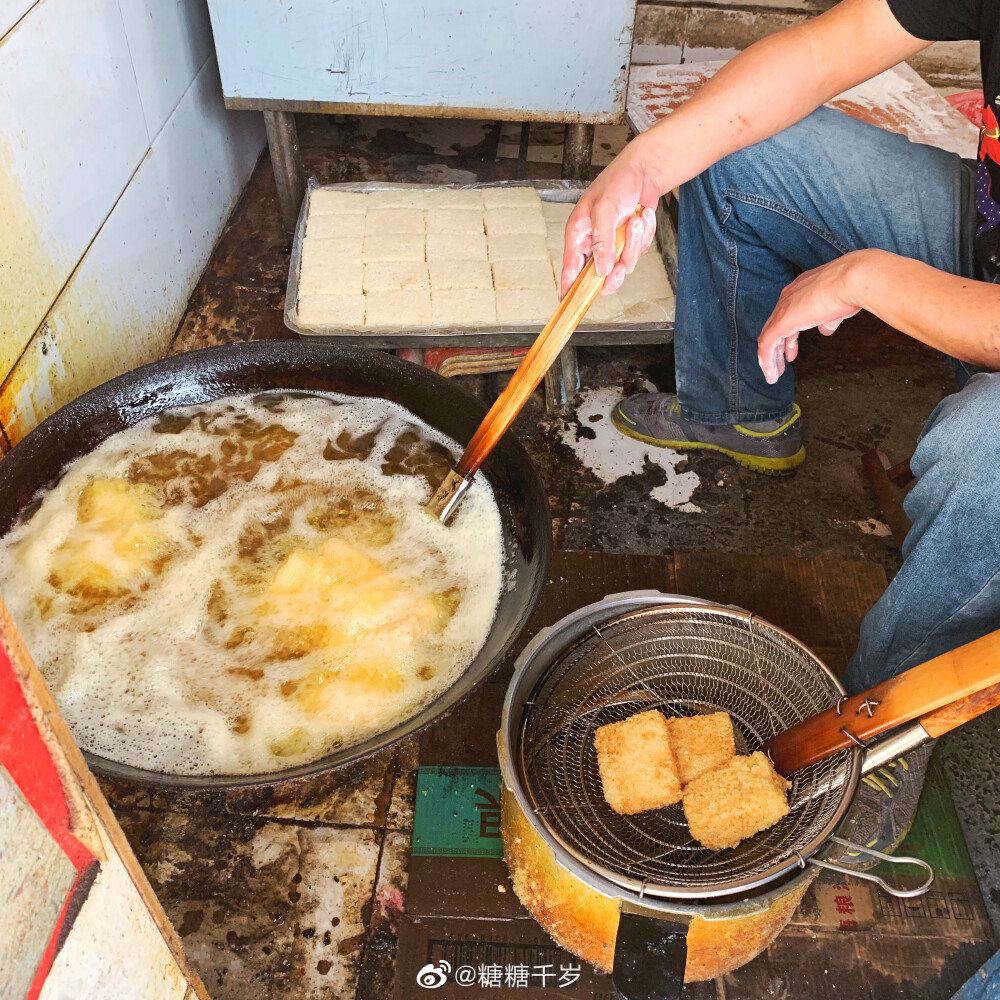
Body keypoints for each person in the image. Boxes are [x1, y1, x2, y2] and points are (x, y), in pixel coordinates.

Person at [561, 0, 1000, 860]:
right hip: (981, 240)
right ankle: (737, 412)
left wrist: (865, 278)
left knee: (983, 459)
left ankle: (879, 728)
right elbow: (821, 50)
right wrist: (645, 166)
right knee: (741, 154)